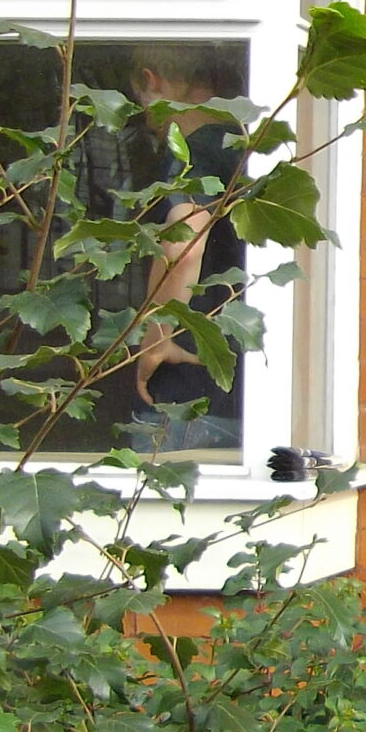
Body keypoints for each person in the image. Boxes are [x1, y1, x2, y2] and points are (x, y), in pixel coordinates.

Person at [127, 46, 246, 456]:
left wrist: (157, 339)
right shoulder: (248, 149)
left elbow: (183, 242)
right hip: (245, 395)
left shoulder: (190, 152)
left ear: (150, 82)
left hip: (185, 400)